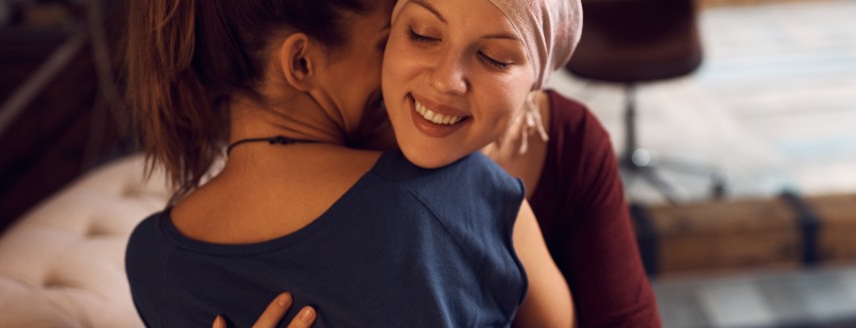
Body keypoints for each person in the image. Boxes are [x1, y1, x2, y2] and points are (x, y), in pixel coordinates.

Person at [122, 0, 574, 326]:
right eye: (397, 40)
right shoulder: (461, 193)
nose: (434, 81)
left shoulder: (152, 258)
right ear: (301, 62)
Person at [236, 0, 662, 326]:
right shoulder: (334, 150)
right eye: (421, 34)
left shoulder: (571, 143)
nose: (445, 81)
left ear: (536, 80)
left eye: (495, 58)